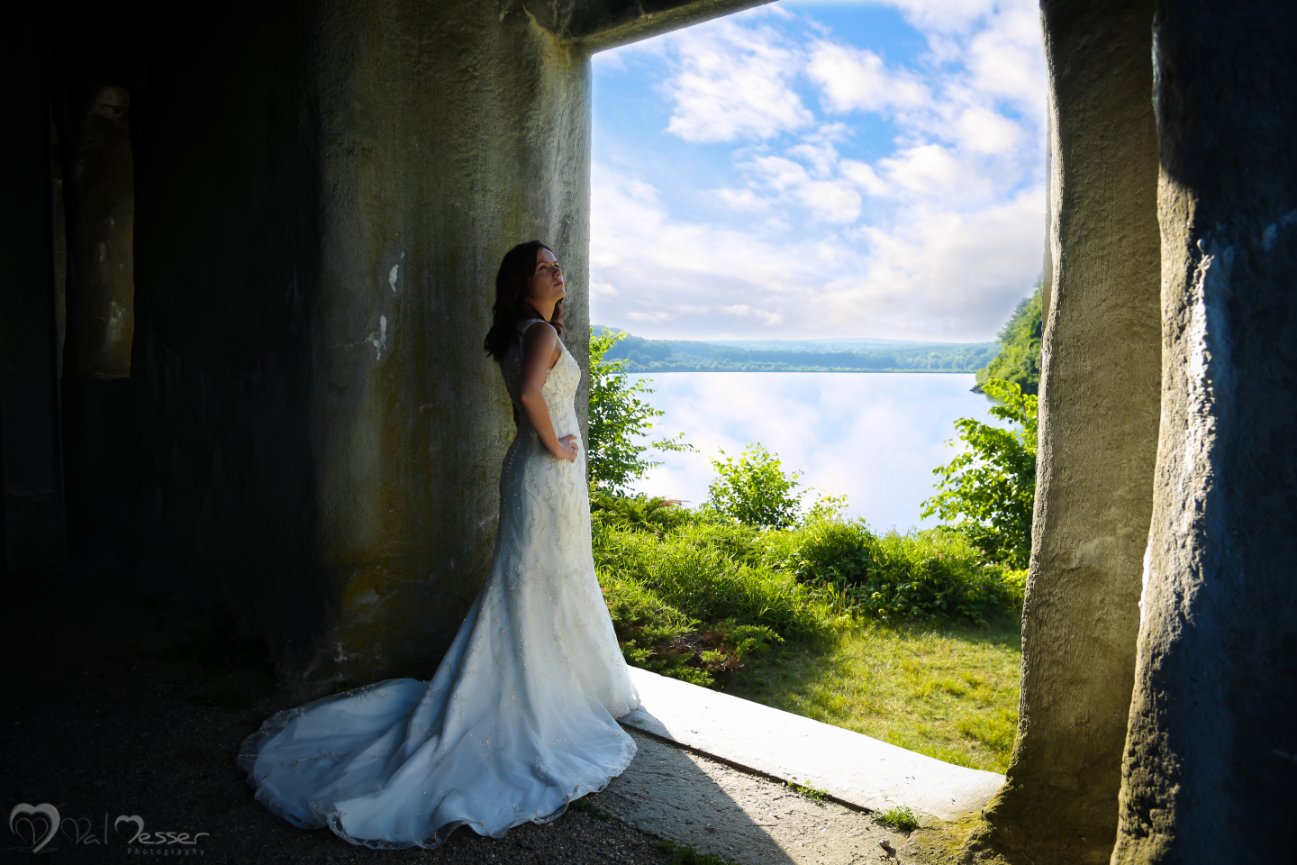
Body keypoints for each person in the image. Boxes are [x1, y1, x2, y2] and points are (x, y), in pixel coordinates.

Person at [237, 240, 641, 849]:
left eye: (558, 266)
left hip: (541, 478)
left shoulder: (525, 332)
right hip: (543, 471)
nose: (559, 273)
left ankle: (562, 682)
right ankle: (533, 695)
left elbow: (531, 393)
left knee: (546, 579)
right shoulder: (538, 336)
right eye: (545, 268)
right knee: (533, 582)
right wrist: (558, 447)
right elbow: (532, 395)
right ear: (521, 283)